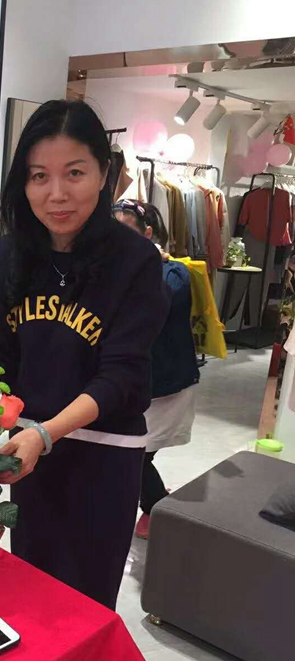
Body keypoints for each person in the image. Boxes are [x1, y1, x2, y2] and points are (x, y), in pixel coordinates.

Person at [0, 100, 169, 610]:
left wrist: (46, 434)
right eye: (39, 176)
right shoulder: (10, 254)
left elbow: (121, 376)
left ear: (103, 174)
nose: (56, 193)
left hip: (103, 455)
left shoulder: (135, 261)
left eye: (74, 173)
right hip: (29, 453)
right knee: (31, 590)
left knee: (84, 604)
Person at [113, 200, 199, 539]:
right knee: (128, 451)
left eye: (126, 232)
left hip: (166, 385)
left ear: (147, 234)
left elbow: (154, 308)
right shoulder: (112, 270)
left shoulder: (172, 273)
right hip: (131, 382)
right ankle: (154, 504)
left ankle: (155, 506)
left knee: (137, 455)